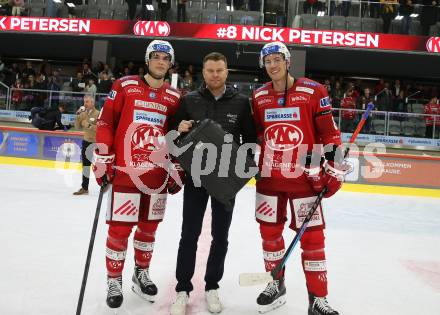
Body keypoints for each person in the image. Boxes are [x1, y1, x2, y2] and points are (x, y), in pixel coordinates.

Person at [251, 41, 348, 314]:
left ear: (287, 61)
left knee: (313, 241)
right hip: (269, 180)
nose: (272, 65)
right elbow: (257, 136)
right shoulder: (258, 96)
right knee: (269, 236)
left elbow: (329, 134)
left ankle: (318, 299)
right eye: (267, 61)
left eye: (277, 60)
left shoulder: (314, 91)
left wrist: (334, 167)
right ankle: (276, 284)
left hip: (305, 181)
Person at [93, 40, 185, 311]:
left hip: (157, 176)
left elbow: (178, 137)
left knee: (148, 229)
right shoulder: (124, 86)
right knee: (120, 230)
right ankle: (114, 280)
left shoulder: (174, 97)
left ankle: (140, 272)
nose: (160, 62)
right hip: (125, 173)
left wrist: (176, 167)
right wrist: (102, 159)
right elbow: (106, 122)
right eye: (155, 57)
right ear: (148, 60)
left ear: (170, 64)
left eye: (165, 58)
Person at [169, 52, 256, 315]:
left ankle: (212, 287)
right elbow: (172, 137)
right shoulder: (190, 99)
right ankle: (183, 289)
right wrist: (179, 127)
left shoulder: (241, 102)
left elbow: (250, 142)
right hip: (196, 177)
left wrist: (237, 171)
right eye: (210, 70)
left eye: (219, 70)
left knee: (221, 237)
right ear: (203, 72)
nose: (215, 75)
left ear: (227, 72)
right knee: (189, 235)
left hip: (224, 182)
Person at [73, 95, 100, 196]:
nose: (85, 104)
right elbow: (77, 127)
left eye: (87, 102)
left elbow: (100, 129)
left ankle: (104, 186)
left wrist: (88, 125)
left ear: (92, 103)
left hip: (96, 143)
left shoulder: (98, 113)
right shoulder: (83, 114)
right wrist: (78, 115)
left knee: (100, 166)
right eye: (84, 102)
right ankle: (84, 188)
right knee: (85, 166)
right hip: (86, 142)